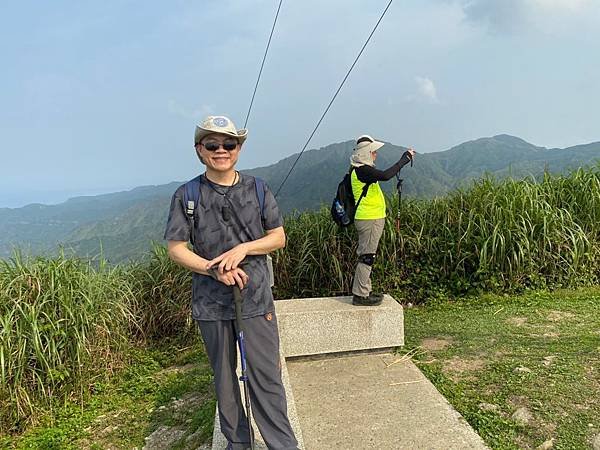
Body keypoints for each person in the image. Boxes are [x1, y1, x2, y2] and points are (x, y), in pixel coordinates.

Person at [164, 115, 298, 450]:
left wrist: (243, 248)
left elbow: (278, 237)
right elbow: (175, 248)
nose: (221, 150)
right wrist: (212, 268)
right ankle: (239, 443)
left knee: (266, 378)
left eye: (229, 143)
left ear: (238, 148)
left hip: (255, 299)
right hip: (210, 302)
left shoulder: (257, 188)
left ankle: (283, 445)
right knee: (225, 381)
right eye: (212, 144)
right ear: (200, 150)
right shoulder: (187, 194)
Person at [350, 134, 415, 306]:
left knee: (367, 254)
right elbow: (386, 175)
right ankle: (360, 295)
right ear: (365, 154)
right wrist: (404, 160)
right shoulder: (362, 171)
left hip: (370, 218)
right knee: (367, 256)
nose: (375, 155)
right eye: (373, 152)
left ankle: (365, 290)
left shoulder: (361, 171)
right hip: (369, 219)